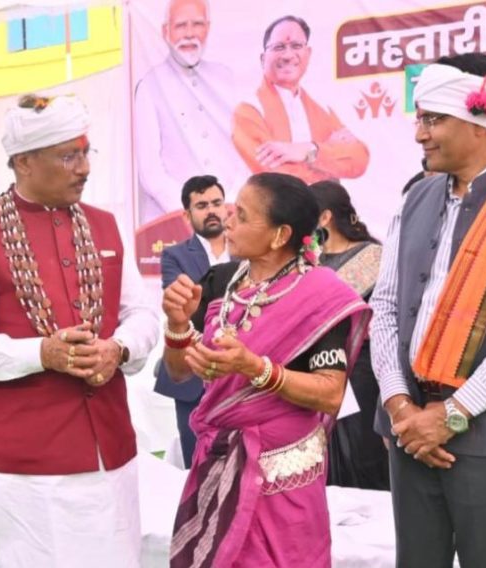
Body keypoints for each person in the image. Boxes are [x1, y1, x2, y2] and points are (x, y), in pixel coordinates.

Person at [0, 94, 159, 567]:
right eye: (68, 156)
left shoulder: (105, 226)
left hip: (111, 453)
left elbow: (142, 315)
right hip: (30, 467)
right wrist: (41, 353)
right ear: (24, 162)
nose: (84, 168)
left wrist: (118, 348)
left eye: (85, 153)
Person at [370, 53, 486, 568]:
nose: (419, 134)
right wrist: (401, 408)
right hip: (410, 433)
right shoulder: (414, 199)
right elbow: (384, 308)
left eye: (432, 119)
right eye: (419, 119)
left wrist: (452, 414)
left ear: (478, 121)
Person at [163, 172, 370, 567]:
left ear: (280, 235)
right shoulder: (220, 282)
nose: (228, 221)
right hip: (218, 460)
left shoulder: (319, 295)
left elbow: (331, 393)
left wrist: (255, 367)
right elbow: (178, 372)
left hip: (283, 480)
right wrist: (176, 326)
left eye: (242, 215)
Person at [310, 180, 389, 490]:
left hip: (361, 369)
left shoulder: (374, 257)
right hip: (317, 368)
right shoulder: (311, 262)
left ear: (325, 217)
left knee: (360, 448)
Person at [134, 0, 242, 224]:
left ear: (208, 28)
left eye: (197, 24)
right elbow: (151, 172)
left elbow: (244, 150)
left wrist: (231, 203)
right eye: (181, 25)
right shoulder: (149, 86)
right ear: (166, 31)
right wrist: (193, 210)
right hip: (174, 217)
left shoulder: (227, 79)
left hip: (231, 215)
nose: (190, 34)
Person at [232, 15, 369, 184]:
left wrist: (309, 150)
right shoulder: (249, 110)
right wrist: (328, 159)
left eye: (296, 46)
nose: (288, 55)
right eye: (279, 47)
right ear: (263, 58)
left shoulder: (321, 107)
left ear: (308, 54)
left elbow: (359, 159)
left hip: (323, 201)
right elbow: (278, 178)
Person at [155, 175, 230, 467]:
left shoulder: (248, 249)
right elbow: (184, 306)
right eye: (201, 205)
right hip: (191, 371)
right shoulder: (174, 255)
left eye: (216, 203)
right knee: (197, 466)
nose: (211, 210)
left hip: (242, 372)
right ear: (187, 215)